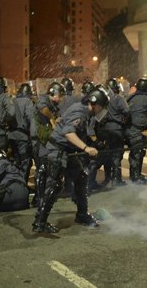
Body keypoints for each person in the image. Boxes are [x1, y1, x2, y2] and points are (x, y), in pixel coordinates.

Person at [32, 89, 106, 234]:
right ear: (94, 103)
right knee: (54, 186)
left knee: (81, 178)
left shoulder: (83, 111)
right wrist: (86, 148)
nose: (101, 110)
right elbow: (69, 133)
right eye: (101, 106)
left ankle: (82, 214)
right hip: (57, 150)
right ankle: (40, 222)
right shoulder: (80, 112)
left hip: (67, 151)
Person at [89, 78, 129, 188]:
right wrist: (123, 120)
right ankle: (116, 179)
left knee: (107, 154)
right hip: (116, 130)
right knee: (116, 154)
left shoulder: (100, 100)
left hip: (104, 131)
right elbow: (126, 111)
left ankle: (107, 178)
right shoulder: (117, 98)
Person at [32, 82, 64, 208]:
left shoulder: (54, 105)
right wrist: (52, 119)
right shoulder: (43, 100)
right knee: (41, 169)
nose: (61, 98)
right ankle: (39, 199)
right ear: (53, 93)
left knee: (46, 168)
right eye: (60, 95)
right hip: (39, 141)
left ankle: (42, 196)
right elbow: (42, 109)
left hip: (46, 140)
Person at [126, 78, 147, 185]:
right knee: (137, 152)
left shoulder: (131, 96)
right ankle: (135, 177)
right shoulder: (145, 98)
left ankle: (135, 175)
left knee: (138, 151)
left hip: (129, 128)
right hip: (135, 129)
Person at [10, 83, 36, 184]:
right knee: (25, 161)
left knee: (16, 160)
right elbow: (30, 118)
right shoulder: (27, 101)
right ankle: (22, 185)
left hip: (11, 135)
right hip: (22, 136)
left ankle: (14, 184)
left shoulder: (13, 100)